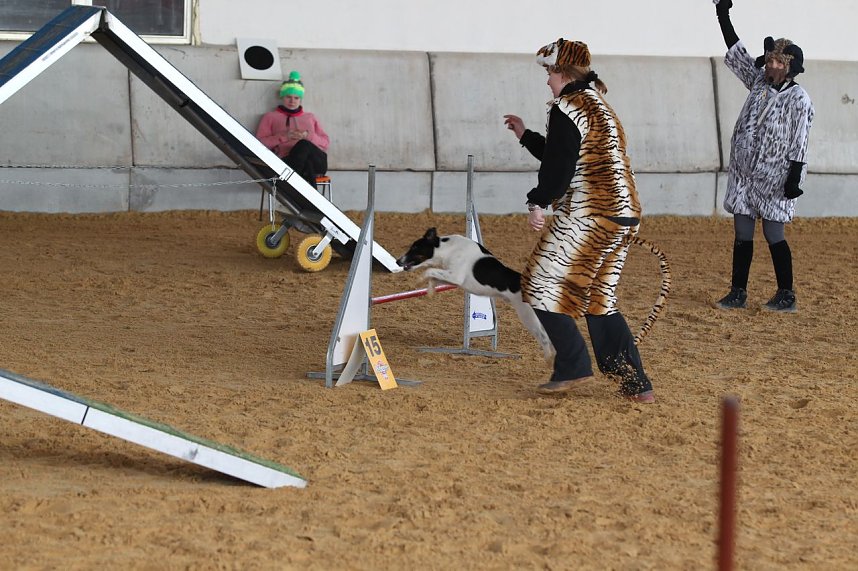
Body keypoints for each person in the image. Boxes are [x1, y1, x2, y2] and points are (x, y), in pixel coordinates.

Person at [503, 38, 655, 403]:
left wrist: (538, 201)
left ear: (564, 72)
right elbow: (566, 153)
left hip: (592, 213)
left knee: (538, 284)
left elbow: (560, 167)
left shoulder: (567, 106)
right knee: (599, 299)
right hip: (624, 213)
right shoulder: (597, 102)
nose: (547, 81)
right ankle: (636, 385)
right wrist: (525, 135)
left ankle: (573, 365)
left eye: (550, 72)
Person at [712, 0, 814, 313]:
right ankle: (738, 291)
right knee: (742, 230)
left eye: (778, 63)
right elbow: (737, 53)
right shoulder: (758, 82)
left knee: (773, 232)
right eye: (769, 61)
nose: (770, 66)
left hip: (776, 176)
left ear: (790, 67)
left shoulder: (799, 99)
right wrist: (723, 14)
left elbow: (800, 140)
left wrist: (794, 177)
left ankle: (786, 293)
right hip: (745, 173)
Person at [255, 70, 330, 185]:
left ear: (300, 99)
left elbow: (325, 142)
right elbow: (260, 144)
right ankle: (307, 201)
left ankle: (291, 186)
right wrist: (285, 137)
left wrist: (308, 136)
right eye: (288, 97)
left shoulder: (310, 117)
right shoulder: (270, 117)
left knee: (304, 145)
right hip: (287, 162)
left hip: (316, 162)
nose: (292, 101)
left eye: (296, 98)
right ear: (282, 97)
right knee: (307, 165)